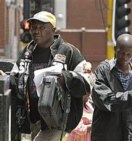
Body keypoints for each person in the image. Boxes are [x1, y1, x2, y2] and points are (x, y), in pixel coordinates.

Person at [10, 11, 91, 141]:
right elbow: (14, 77)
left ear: (53, 30)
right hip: (33, 119)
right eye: (34, 27)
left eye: (42, 28)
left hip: (57, 120)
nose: (36, 31)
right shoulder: (27, 52)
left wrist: (66, 77)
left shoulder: (68, 51)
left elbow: (87, 82)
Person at [91, 34, 132, 141]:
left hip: (129, 136)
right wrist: (131, 97)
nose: (124, 57)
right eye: (121, 53)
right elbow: (104, 99)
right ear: (115, 49)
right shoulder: (104, 70)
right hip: (106, 135)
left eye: (129, 54)